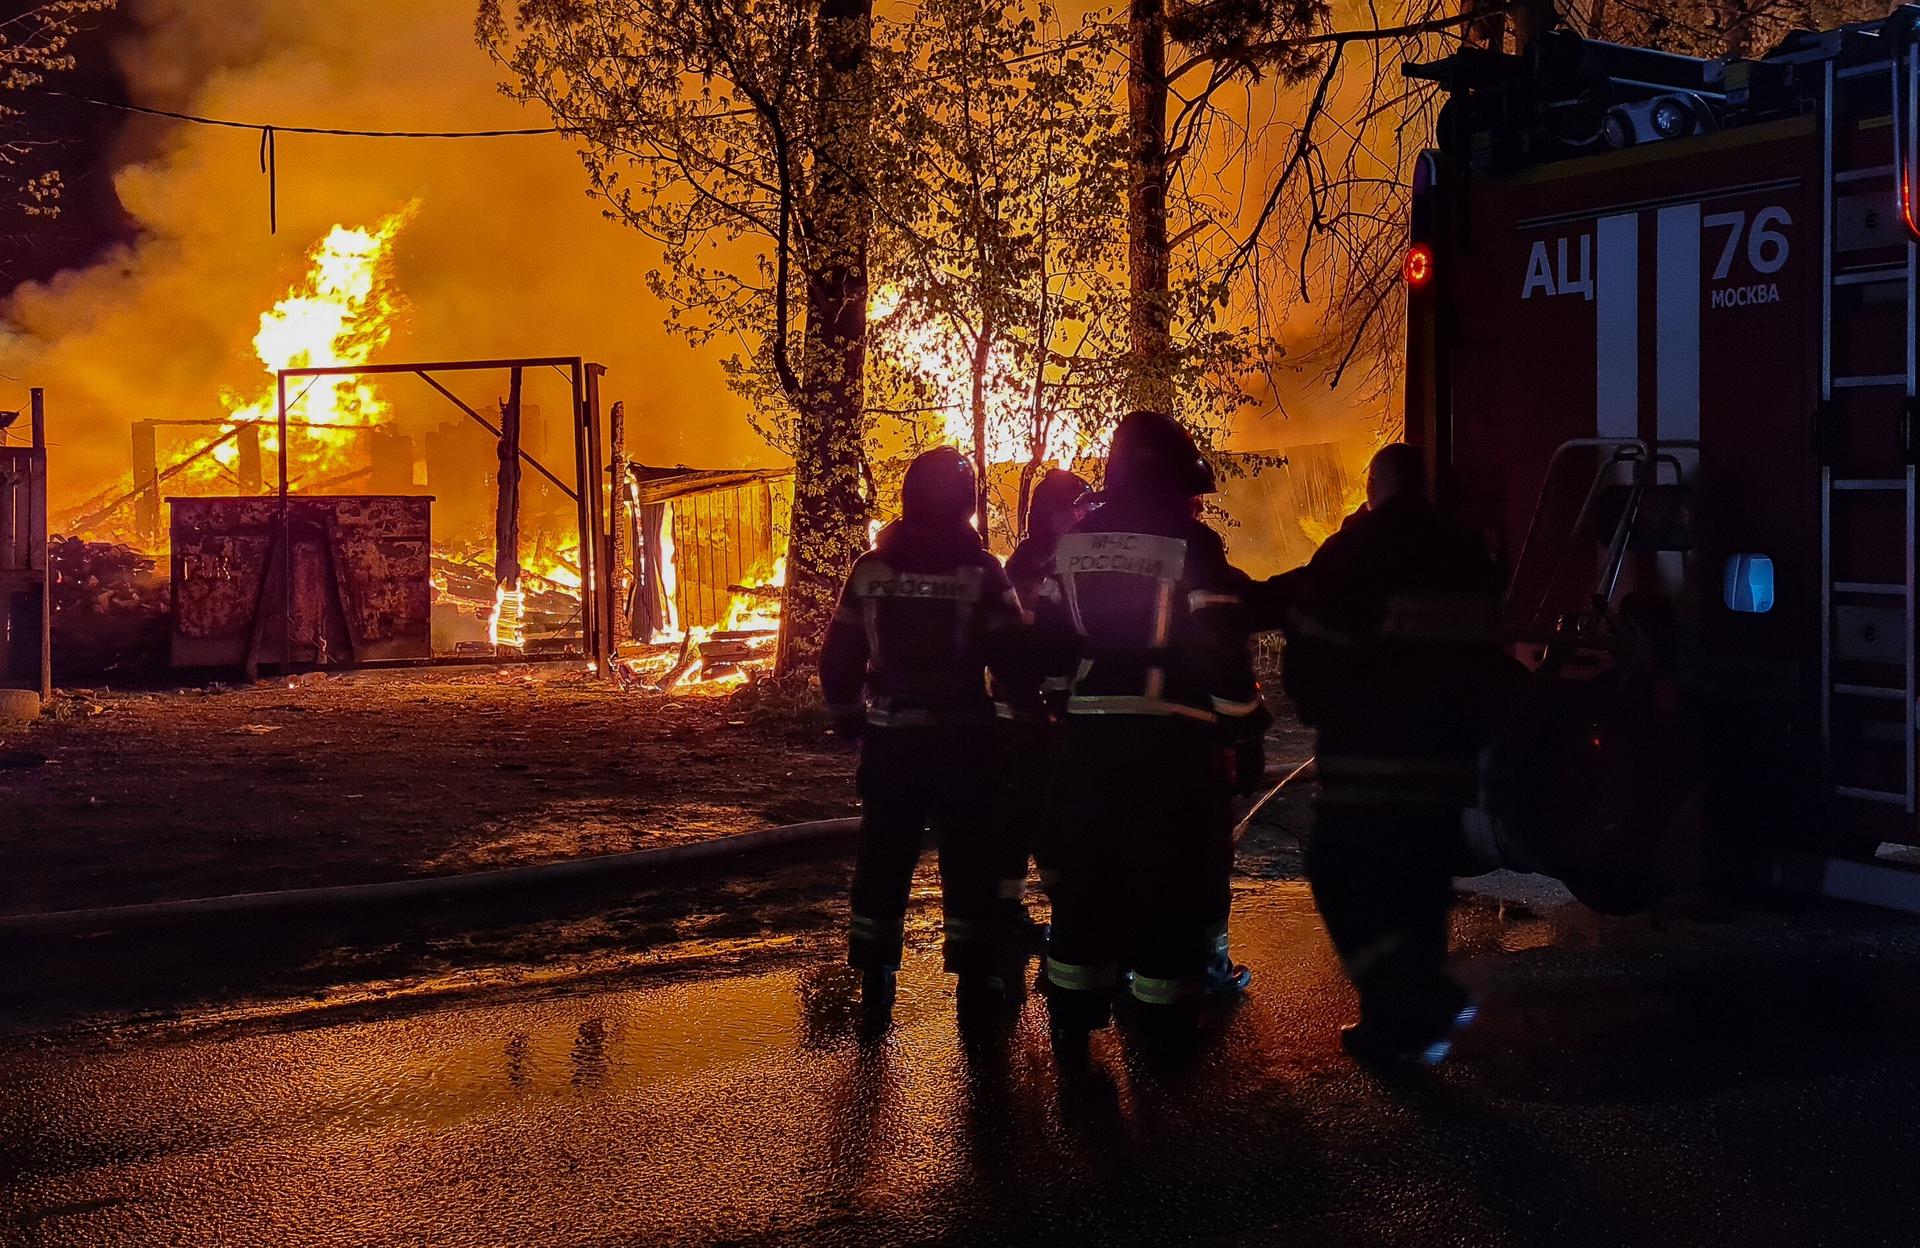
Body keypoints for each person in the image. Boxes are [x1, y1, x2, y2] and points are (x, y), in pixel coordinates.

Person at [1264, 441, 1517, 1066]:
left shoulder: (1356, 548)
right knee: (1418, 893)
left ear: (1375, 485)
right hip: (1446, 763)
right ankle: (1394, 1030)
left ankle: (1414, 997)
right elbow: (1490, 655)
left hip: (1365, 758)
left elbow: (1310, 637)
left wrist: (1316, 708)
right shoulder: (1465, 551)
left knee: (1339, 874)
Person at [1036, 411, 1270, 1038]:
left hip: (1086, 741)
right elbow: (1220, 649)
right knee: (1170, 878)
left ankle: (1075, 1010)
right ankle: (1165, 1030)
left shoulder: (1075, 542)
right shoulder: (1192, 545)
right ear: (1172, 477)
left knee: (1086, 875)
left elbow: (1051, 650)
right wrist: (1244, 732)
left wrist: (1061, 713)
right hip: (1171, 746)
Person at [820, 446, 1028, 1020]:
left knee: (884, 852)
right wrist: (1023, 720)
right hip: (965, 742)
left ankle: (875, 969)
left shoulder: (872, 569)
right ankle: (976, 975)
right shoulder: (982, 571)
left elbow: (838, 656)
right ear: (966, 502)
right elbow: (1012, 655)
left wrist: (848, 718)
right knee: (969, 856)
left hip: (891, 740)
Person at [991, 469, 1089, 943]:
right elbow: (1044, 639)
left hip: (1028, 709)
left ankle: (1053, 906)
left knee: (1038, 812)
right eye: (1074, 507)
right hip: (1035, 712)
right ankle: (1037, 912)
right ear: (1050, 515)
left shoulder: (1033, 559)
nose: (1082, 515)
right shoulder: (1038, 564)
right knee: (1034, 812)